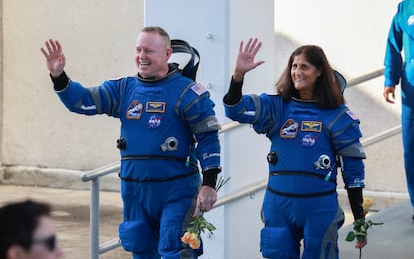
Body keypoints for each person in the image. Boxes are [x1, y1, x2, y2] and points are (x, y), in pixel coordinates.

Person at [40, 26, 221, 259]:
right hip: (135, 191)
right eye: (138, 50)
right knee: (141, 248)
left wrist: (209, 184)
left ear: (167, 54)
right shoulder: (124, 90)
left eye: (148, 51)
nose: (141, 56)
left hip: (177, 191)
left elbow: (208, 138)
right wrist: (59, 76)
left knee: (176, 250)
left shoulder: (188, 93)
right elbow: (83, 101)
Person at [223, 38, 367, 258]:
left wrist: (359, 221)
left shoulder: (337, 115)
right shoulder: (276, 106)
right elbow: (235, 110)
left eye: (304, 67)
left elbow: (353, 172)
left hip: (319, 207)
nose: (297, 71)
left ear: (320, 72)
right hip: (278, 205)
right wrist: (238, 77)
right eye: (294, 66)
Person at [383, 0, 414, 221]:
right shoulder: (406, 8)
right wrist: (389, 80)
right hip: (411, 92)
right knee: (411, 149)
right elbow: (393, 46)